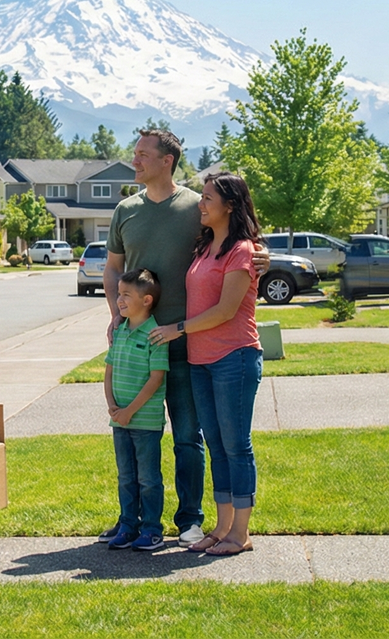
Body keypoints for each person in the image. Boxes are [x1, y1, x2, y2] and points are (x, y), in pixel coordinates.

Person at [100, 128, 268, 547]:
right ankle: (136, 520)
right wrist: (117, 317)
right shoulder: (126, 210)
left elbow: (237, 239)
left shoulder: (197, 205)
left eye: (142, 154)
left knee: (190, 438)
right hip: (140, 345)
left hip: (190, 343)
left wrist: (263, 256)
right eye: (134, 153)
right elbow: (112, 269)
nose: (134, 160)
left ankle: (190, 519)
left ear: (166, 160)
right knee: (137, 434)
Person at [148, 172, 263, 557]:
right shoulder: (203, 249)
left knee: (236, 446)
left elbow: (225, 311)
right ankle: (223, 526)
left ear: (229, 205)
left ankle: (241, 534)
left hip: (235, 358)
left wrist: (176, 329)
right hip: (201, 361)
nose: (201, 203)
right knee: (215, 444)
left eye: (208, 198)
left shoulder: (242, 251)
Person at [102, 268, 170, 553]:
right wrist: (113, 407)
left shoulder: (156, 335)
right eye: (119, 294)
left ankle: (151, 528)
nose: (119, 300)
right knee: (126, 476)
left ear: (147, 300)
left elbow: (156, 379)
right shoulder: (119, 331)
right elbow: (109, 370)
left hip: (145, 421)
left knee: (148, 478)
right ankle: (128, 523)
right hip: (120, 420)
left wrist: (130, 410)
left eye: (127, 295)